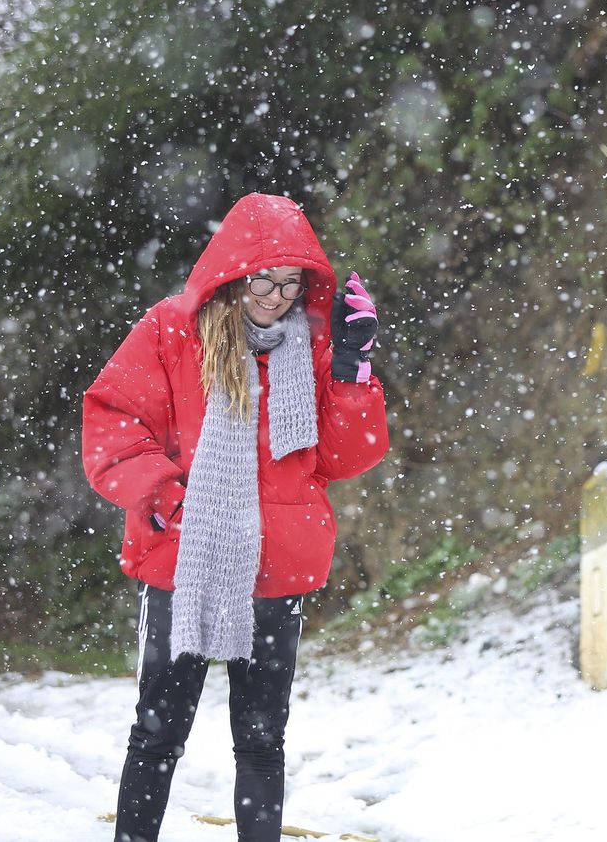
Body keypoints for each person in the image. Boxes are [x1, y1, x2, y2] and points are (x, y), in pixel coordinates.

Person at [83, 192, 389, 842]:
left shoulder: (313, 347)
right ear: (233, 271)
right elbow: (114, 419)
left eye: (291, 282)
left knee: (261, 743)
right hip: (183, 559)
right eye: (263, 280)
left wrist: (354, 372)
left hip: (277, 566)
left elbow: (344, 455)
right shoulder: (172, 330)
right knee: (157, 734)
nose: (276, 297)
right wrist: (166, 498)